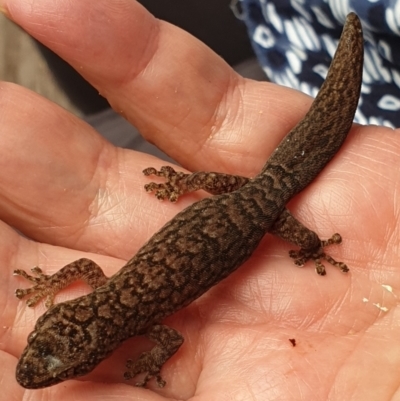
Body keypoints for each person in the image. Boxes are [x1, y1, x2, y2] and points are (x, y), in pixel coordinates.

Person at [0, 1, 399, 399]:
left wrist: (311, 245)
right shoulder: (110, 297)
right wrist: (184, 183)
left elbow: (171, 341)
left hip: (264, 208)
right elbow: (87, 267)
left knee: (298, 224)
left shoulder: (145, 325)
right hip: (249, 199)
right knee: (285, 200)